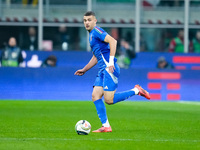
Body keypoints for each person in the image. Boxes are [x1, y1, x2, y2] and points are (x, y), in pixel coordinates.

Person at [74, 11, 150, 133]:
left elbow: (113, 41)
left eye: (89, 20)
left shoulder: (97, 31)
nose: (87, 22)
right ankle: (106, 126)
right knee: (95, 96)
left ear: (95, 21)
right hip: (102, 69)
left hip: (110, 68)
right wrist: (85, 69)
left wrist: (110, 62)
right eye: (84, 20)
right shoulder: (91, 36)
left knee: (109, 100)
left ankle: (136, 90)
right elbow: (96, 56)